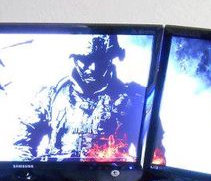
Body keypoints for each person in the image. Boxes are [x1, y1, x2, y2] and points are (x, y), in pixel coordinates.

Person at [14, 34, 144, 161]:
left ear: (110, 58)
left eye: (100, 59)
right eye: (86, 60)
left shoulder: (133, 99)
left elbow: (151, 156)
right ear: (75, 59)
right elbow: (21, 146)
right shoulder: (49, 96)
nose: (93, 68)